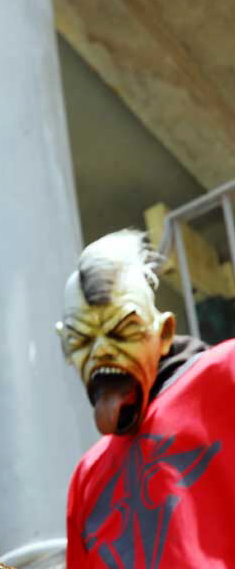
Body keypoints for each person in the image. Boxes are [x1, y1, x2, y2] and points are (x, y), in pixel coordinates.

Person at [56, 230, 234, 568]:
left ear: (163, 332)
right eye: (80, 341)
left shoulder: (227, 372)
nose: (101, 352)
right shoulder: (87, 479)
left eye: (122, 330)